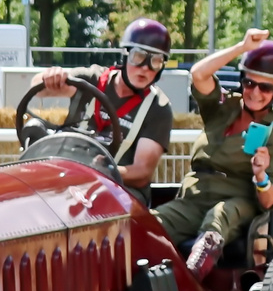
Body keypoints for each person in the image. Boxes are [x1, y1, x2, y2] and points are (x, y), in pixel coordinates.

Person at [153, 27, 273, 281]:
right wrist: (242, 47)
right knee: (151, 224)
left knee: (219, 215)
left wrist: (261, 175)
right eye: (249, 82)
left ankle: (193, 278)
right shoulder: (223, 109)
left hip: (237, 199)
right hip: (194, 197)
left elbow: (271, 201)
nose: (255, 92)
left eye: (265, 87)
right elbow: (198, 74)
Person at [31, 17, 176, 202]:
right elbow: (36, 89)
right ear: (125, 55)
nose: (145, 68)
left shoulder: (158, 108)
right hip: (67, 177)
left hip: (120, 190)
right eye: (138, 56)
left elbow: (141, 173)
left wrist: (99, 172)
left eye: (155, 62)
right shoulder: (91, 79)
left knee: (92, 204)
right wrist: (49, 78)